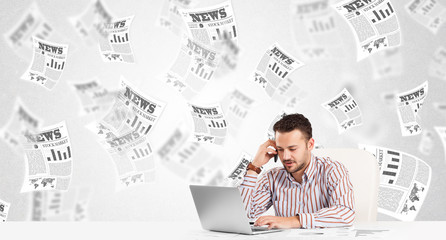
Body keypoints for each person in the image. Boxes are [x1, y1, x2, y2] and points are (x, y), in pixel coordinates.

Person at [239, 113, 355, 229]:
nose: (285, 157)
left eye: (292, 149)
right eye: (280, 149)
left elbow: (345, 213)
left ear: (310, 145)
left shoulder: (333, 170)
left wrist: (294, 221)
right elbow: (243, 215)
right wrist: (254, 167)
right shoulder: (271, 178)